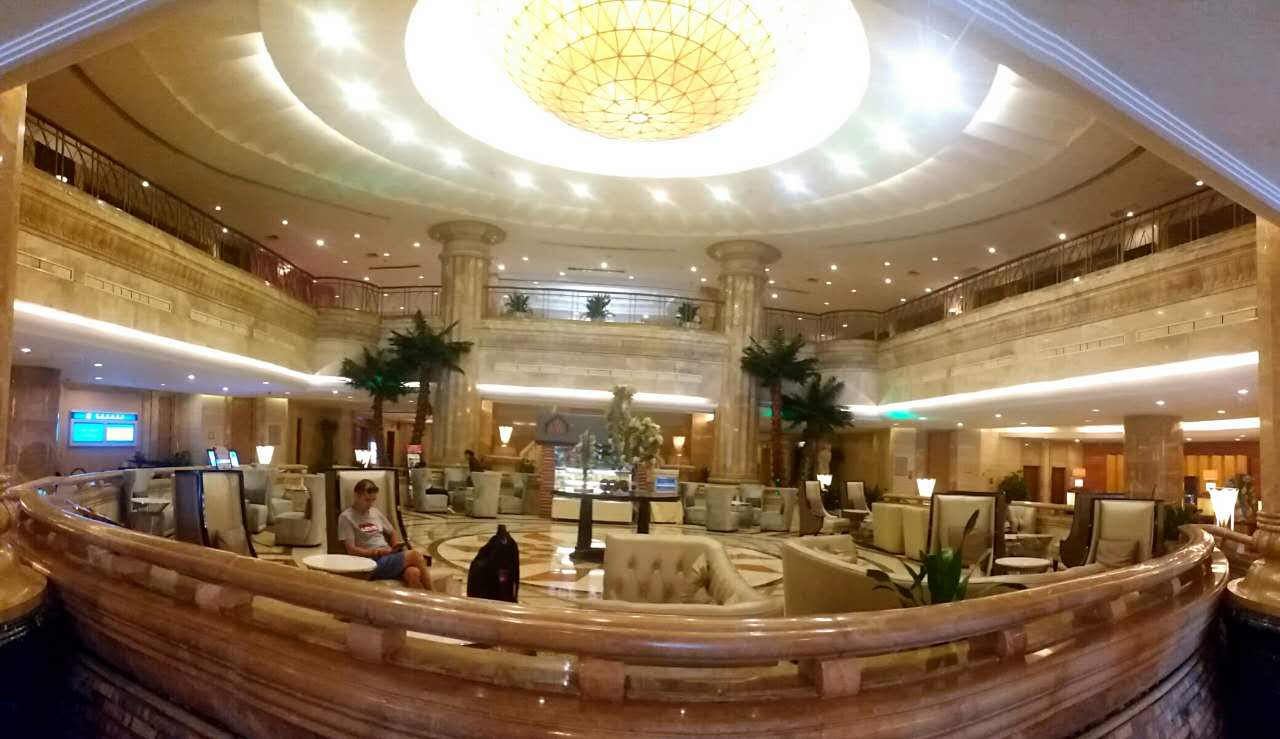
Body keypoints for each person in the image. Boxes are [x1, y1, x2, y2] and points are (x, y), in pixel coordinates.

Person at [338, 478, 429, 589]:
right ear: (356, 496)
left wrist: (394, 546)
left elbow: (392, 531)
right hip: (371, 561)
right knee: (415, 555)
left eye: (373, 500)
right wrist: (376, 552)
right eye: (367, 500)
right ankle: (434, 593)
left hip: (387, 555)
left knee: (413, 573)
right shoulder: (346, 517)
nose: (370, 504)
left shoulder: (375, 512)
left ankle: (419, 599)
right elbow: (351, 550)